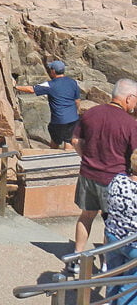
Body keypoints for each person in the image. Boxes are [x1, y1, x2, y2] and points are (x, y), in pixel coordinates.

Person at [68, 78, 137, 274]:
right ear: (129, 98)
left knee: (86, 216)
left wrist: (87, 157)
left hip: (88, 174)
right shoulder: (129, 123)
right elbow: (135, 155)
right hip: (114, 179)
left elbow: (74, 140)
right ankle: (107, 263)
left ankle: (76, 257)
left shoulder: (91, 113)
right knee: (111, 221)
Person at [15, 60, 81, 149]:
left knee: (55, 140)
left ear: (53, 71)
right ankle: (68, 159)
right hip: (73, 118)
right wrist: (74, 112)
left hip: (59, 119)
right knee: (68, 140)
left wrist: (16, 87)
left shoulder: (50, 84)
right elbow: (77, 101)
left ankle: (53, 158)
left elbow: (31, 89)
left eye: (50, 69)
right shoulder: (72, 82)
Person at [104, 150, 137, 303]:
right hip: (133, 246)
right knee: (130, 288)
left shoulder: (117, 180)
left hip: (113, 238)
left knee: (112, 278)